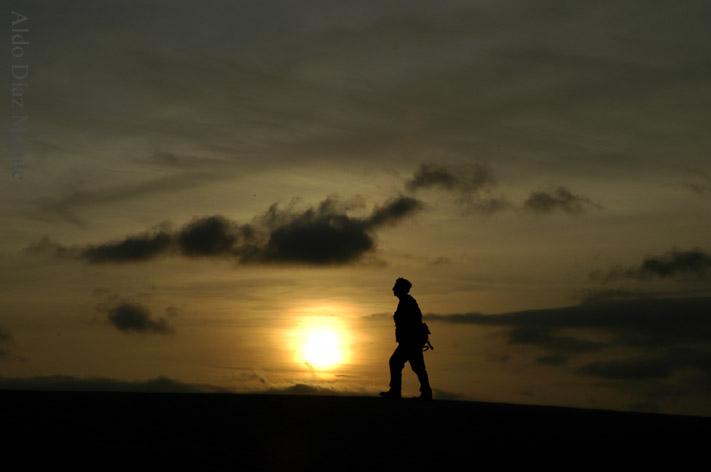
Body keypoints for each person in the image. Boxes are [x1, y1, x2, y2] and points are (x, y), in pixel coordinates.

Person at [380, 277, 433, 401]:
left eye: (396, 286)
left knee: (397, 363)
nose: (393, 289)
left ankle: (396, 392)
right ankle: (425, 392)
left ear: (401, 289)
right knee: (417, 367)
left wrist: (411, 340)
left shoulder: (407, 302)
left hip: (410, 342)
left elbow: (413, 323)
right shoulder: (406, 301)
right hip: (410, 341)